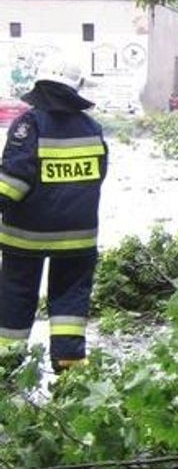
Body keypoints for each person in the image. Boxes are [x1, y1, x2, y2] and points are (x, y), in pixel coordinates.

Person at [0, 52, 108, 374]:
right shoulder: (93, 128)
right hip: (78, 238)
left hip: (26, 238)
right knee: (70, 303)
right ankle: (70, 367)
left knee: (16, 296)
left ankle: (6, 365)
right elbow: (98, 176)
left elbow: (13, 182)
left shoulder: (28, 123)